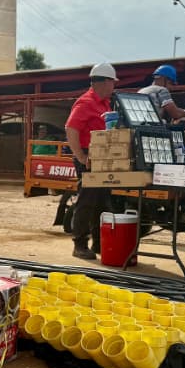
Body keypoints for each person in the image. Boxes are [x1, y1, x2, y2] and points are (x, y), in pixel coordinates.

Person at [65, 62, 118, 260]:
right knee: (87, 201)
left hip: (101, 157)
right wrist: (81, 156)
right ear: (103, 82)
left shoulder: (105, 104)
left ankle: (98, 243)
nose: (114, 87)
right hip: (88, 157)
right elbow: (71, 129)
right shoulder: (86, 102)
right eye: (113, 82)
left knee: (102, 202)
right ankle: (79, 244)